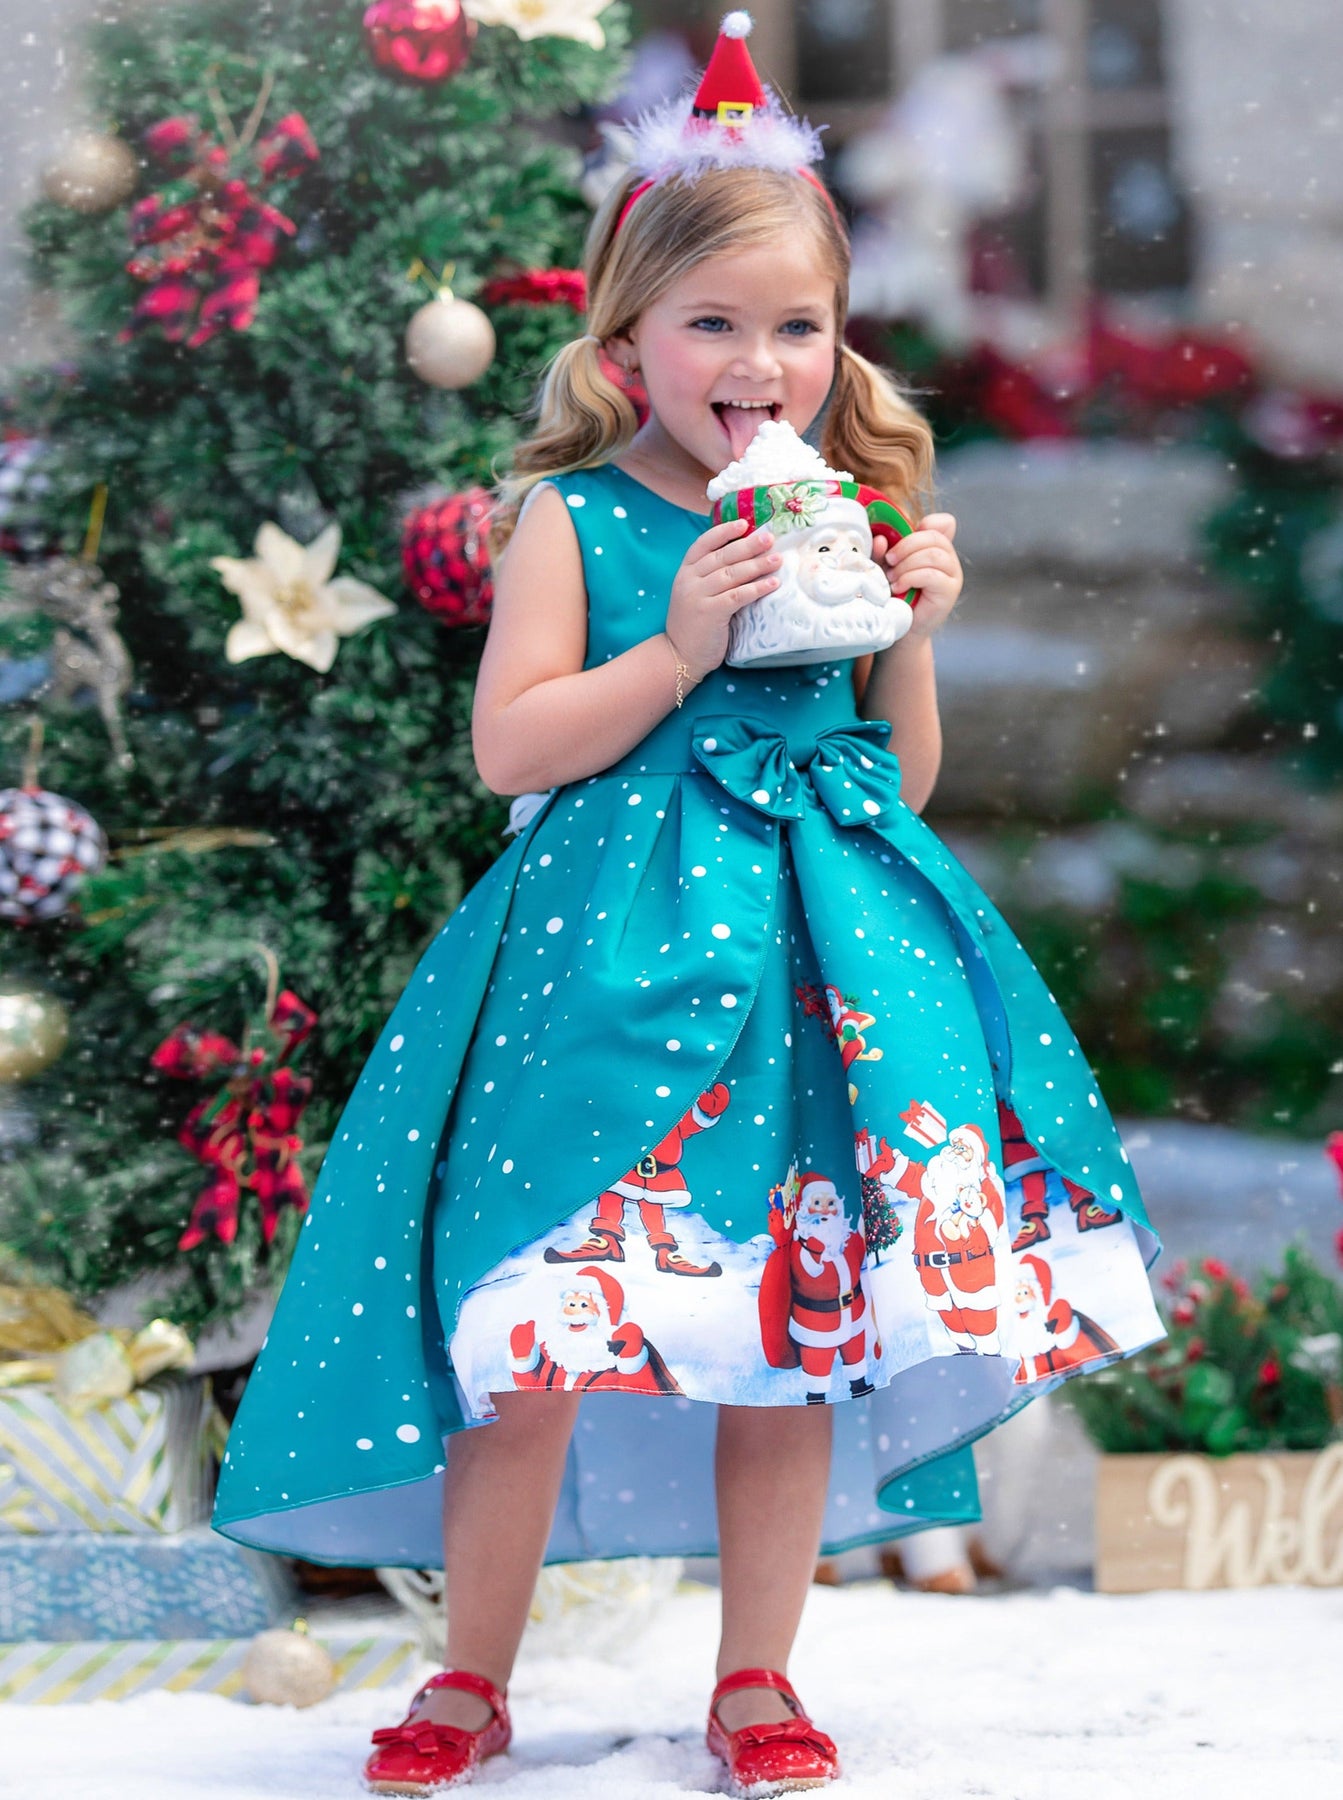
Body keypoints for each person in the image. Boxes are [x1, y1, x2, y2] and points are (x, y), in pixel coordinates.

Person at [213, 15, 1163, 1797]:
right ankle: (469, 1677)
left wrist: (913, 635)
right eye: (712, 324)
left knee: (779, 1344)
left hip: (810, 971)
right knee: (537, 1327)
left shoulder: (852, 509)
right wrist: (685, 641)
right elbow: (513, 748)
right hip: (602, 972)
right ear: (625, 343)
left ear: (838, 342)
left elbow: (900, 779)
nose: (759, 362)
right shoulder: (575, 520)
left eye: (797, 326)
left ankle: (758, 1676)